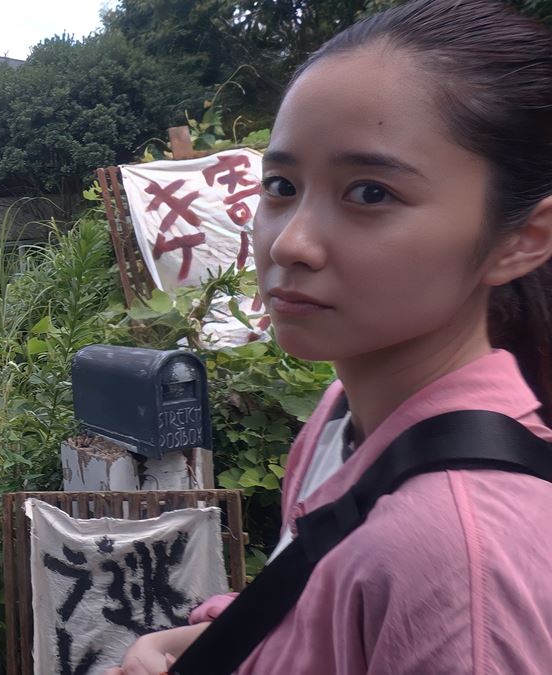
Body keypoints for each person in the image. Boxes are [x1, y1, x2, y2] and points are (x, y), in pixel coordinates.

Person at [103, 0, 552, 672]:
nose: (291, 242)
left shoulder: (460, 560)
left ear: (522, 239)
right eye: (281, 185)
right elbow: (322, 611)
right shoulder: (343, 416)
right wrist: (207, 643)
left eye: (370, 193)